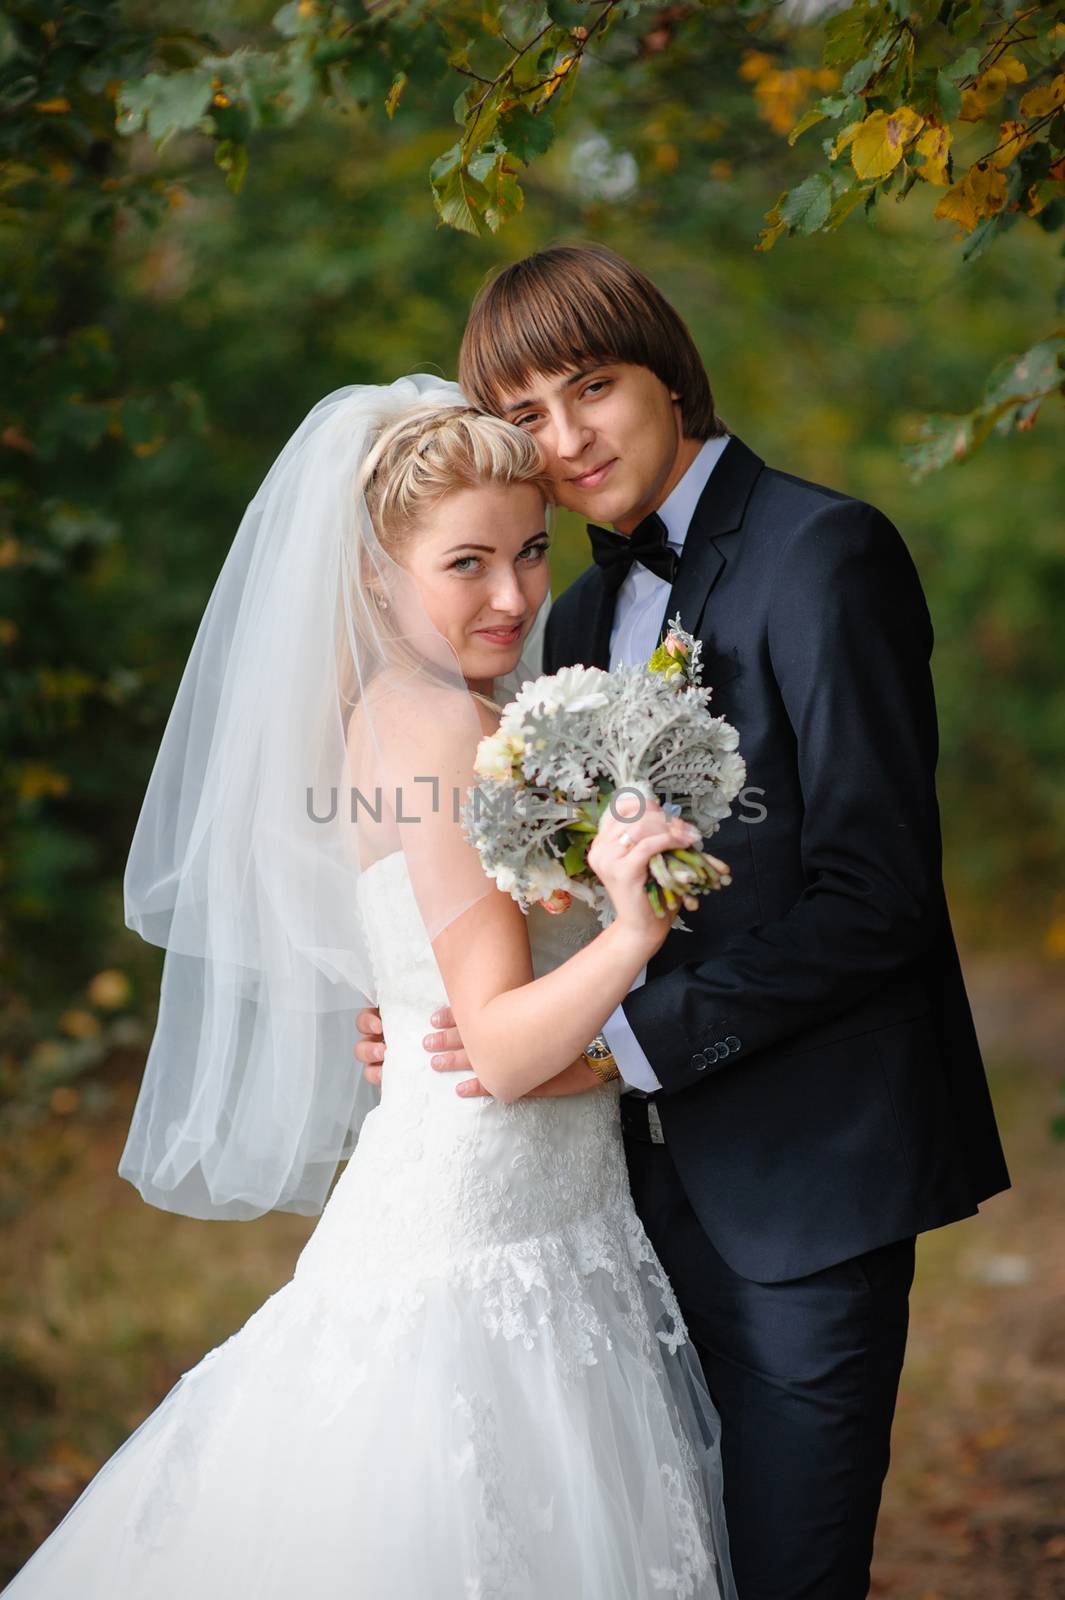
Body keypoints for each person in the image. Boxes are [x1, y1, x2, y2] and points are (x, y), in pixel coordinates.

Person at [2, 380, 735, 1600]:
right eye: (467, 564)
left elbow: (460, 973)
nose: (512, 595)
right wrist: (633, 926)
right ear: (375, 574)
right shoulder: (437, 727)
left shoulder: (458, 712)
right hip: (477, 1231)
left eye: (530, 552)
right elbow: (499, 1055)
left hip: (547, 1218)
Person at [356, 246, 1011, 1598]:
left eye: (593, 385)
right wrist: (452, 1007)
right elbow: (568, 877)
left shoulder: (824, 552)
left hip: (804, 1189)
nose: (567, 436)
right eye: (527, 413)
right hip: (615, 1213)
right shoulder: (578, 607)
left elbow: (872, 895)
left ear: (670, 374)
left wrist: (616, 1048)